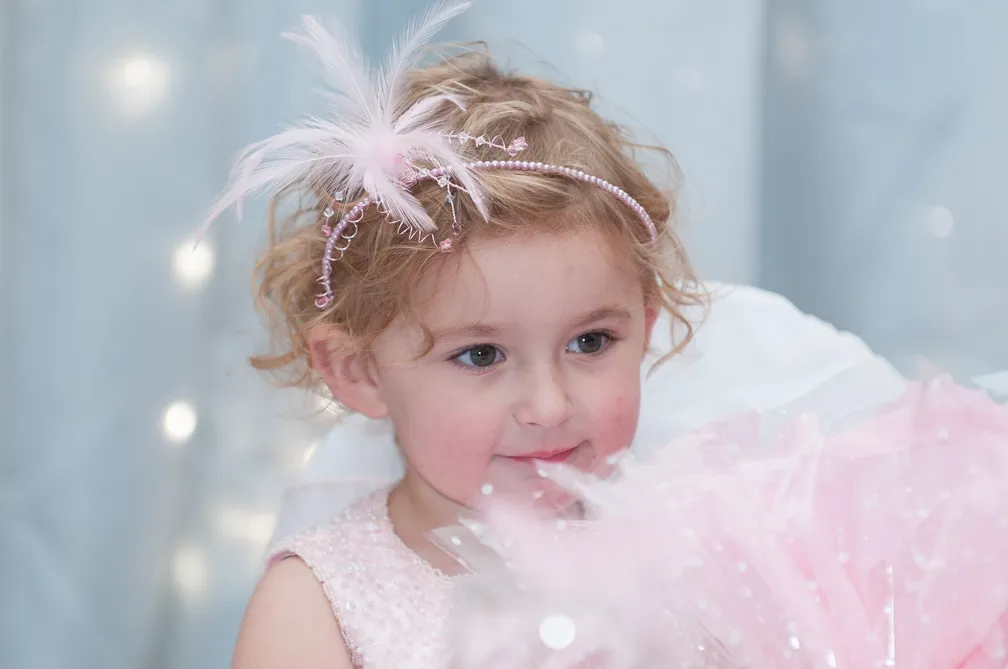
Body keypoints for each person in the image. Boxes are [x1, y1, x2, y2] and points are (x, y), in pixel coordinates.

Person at [203, 2, 901, 668]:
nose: (549, 402)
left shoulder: (700, 549)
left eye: (591, 342)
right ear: (357, 370)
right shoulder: (315, 602)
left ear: (647, 325)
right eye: (480, 354)